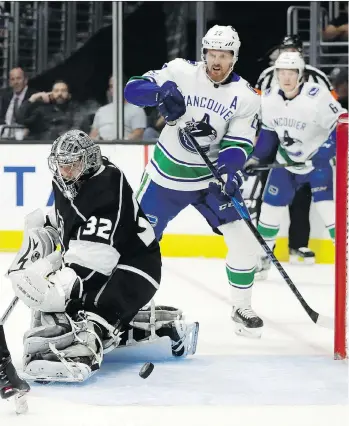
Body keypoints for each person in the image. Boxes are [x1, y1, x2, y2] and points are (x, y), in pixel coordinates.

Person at [7, 130, 198, 383]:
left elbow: (94, 260)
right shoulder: (71, 180)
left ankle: (88, 352)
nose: (65, 172)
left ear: (89, 161)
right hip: (111, 260)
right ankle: (153, 327)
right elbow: (74, 221)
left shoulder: (106, 184)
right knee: (75, 307)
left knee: (92, 309)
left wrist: (54, 288)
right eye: (62, 165)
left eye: (72, 165)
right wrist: (48, 227)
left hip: (136, 268)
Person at [125, 25, 264, 338]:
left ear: (234, 57)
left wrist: (230, 172)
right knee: (138, 241)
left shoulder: (246, 97)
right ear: (204, 53)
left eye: (224, 55)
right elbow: (132, 89)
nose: (216, 61)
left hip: (209, 180)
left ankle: (241, 307)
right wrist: (158, 93)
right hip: (165, 178)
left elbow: (239, 143)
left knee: (243, 238)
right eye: (212, 54)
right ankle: (129, 305)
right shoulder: (179, 71)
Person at [244, 52, 346, 279]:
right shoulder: (269, 98)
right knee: (268, 214)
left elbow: (342, 125)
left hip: (315, 164)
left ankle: (345, 261)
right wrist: (257, 157)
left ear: (300, 75)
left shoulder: (317, 96)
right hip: (286, 163)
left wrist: (325, 152)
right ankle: (262, 260)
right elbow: (269, 133)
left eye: (291, 72)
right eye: (281, 72)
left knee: (330, 214)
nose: (286, 77)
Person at [16, 81, 87, 140]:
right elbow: (20, 119)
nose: (59, 94)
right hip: (43, 148)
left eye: (63, 91)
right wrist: (32, 99)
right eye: (56, 91)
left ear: (69, 94)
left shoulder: (75, 109)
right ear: (51, 94)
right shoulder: (42, 110)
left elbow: (78, 127)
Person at [89, 76, 147, 141]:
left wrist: (121, 142)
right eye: (111, 86)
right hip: (101, 147)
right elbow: (93, 134)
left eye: (117, 85)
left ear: (125, 87)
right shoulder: (101, 110)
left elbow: (138, 133)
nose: (114, 89)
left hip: (125, 148)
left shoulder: (137, 109)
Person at [0, 67, 37, 139]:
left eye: (18, 78)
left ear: (25, 80)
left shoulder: (34, 97)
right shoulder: (5, 96)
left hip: (24, 141)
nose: (15, 82)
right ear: (10, 82)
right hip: (4, 139)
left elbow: (35, 123)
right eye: (12, 79)